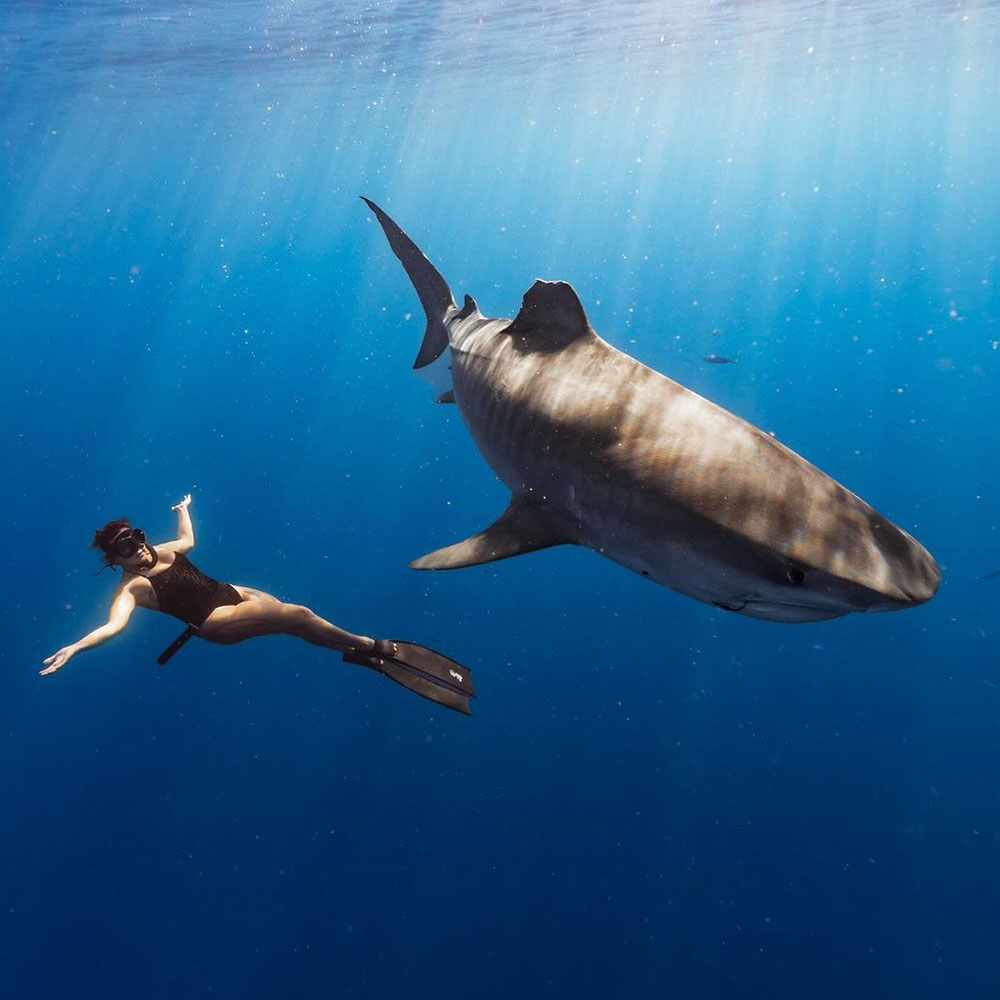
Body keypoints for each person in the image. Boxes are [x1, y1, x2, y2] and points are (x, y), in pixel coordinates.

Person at [42, 494, 475, 713]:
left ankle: (357, 655)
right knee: (298, 615)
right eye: (125, 548)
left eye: (135, 538)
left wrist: (183, 509)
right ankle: (373, 647)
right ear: (114, 559)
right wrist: (75, 648)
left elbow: (189, 540)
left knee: (296, 621)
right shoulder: (131, 589)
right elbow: (114, 626)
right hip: (214, 621)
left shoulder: (163, 549)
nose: (137, 549)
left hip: (232, 593)